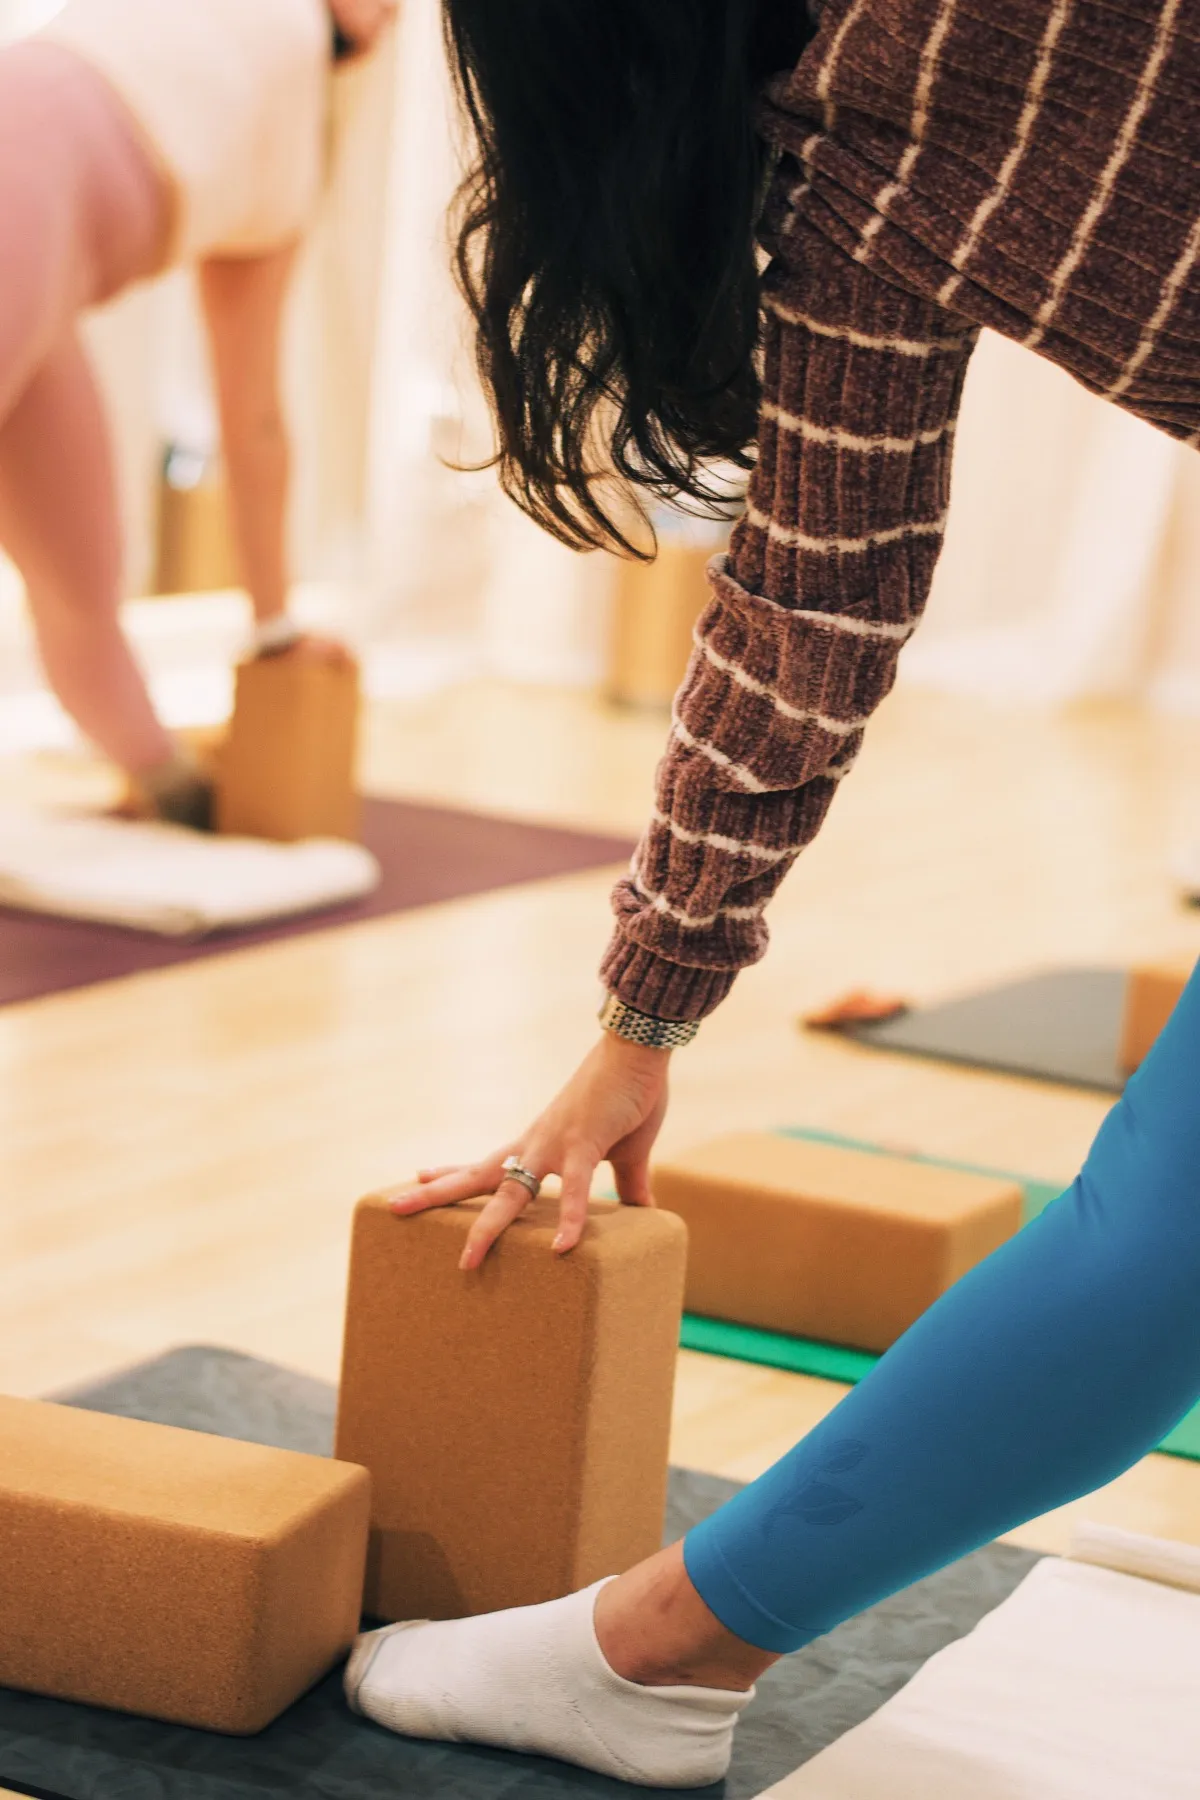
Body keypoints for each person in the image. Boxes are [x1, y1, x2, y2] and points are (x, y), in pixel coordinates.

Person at [346, 0, 1200, 1788]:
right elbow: (813, 605)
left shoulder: (864, 122)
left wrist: (638, 1020)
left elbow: (812, 606)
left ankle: (661, 1654)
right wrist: (638, 1021)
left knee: (1164, 1241)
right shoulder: (862, 144)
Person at [0, 0, 394, 828]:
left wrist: (275, 627)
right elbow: (251, 418)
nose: (392, 14)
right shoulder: (283, 52)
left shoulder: (281, 127)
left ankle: (171, 788)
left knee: (81, 574)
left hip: (41, 244)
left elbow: (248, 416)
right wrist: (275, 622)